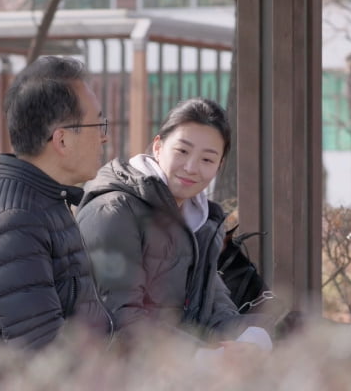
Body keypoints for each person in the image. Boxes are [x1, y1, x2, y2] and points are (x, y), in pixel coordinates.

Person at [0, 56, 114, 363]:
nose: (104, 136)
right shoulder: (14, 219)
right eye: (97, 123)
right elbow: (45, 353)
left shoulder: (42, 200)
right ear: (61, 139)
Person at [76, 97, 273, 357]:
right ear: (158, 147)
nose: (191, 168)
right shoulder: (114, 212)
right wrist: (204, 358)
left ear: (220, 165)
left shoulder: (200, 221)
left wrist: (249, 337)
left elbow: (211, 304)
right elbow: (120, 319)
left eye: (207, 159)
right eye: (182, 151)